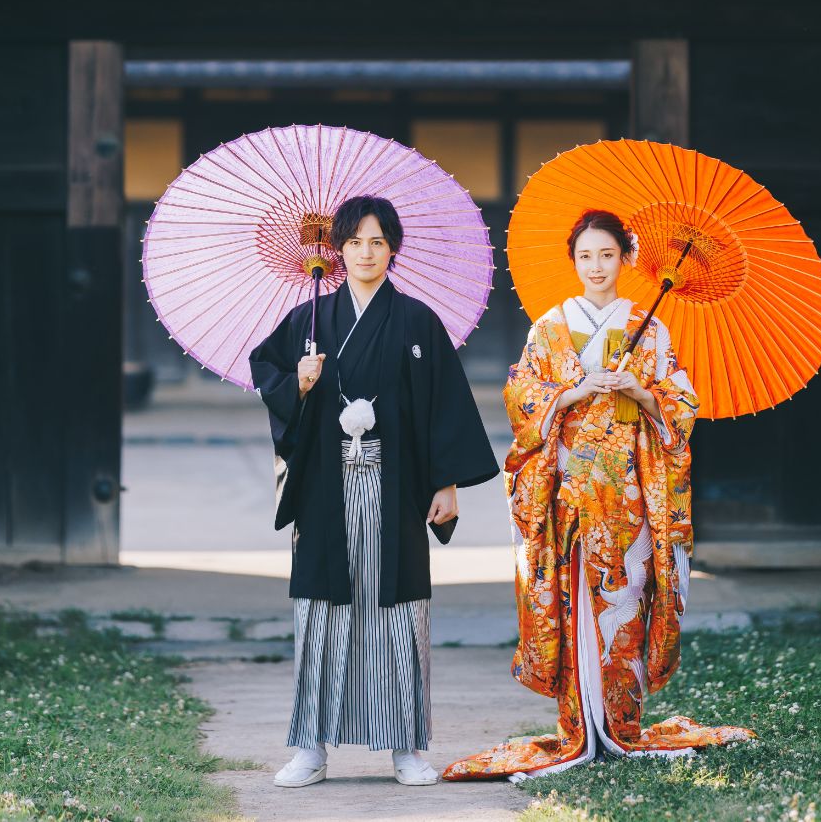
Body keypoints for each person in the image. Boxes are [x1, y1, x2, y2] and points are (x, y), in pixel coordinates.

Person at [444, 209, 751, 781]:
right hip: (565, 488)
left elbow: (683, 406)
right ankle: (579, 725)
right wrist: (571, 391)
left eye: (607, 254)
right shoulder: (549, 327)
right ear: (573, 261)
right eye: (585, 255)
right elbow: (521, 394)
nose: (596, 266)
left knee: (626, 600)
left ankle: (622, 726)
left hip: (630, 490)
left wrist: (640, 389)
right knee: (572, 601)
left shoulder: (651, 329)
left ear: (625, 259)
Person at [249, 193, 499, 789]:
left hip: (398, 485)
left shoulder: (416, 321)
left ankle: (406, 747)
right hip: (326, 486)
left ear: (393, 249)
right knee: (322, 613)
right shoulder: (309, 319)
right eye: (355, 242)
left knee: (397, 614)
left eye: (378, 242)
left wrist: (448, 484)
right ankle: (311, 746)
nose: (366, 252)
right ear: (338, 250)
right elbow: (267, 369)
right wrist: (300, 384)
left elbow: (444, 406)